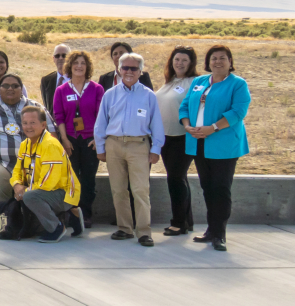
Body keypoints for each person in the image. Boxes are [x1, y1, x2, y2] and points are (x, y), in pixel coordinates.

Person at [179, 44, 250, 252]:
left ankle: (220, 234)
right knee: (207, 187)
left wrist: (213, 128)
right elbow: (184, 106)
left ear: (230, 62)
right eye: (213, 58)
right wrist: (187, 126)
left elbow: (238, 111)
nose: (217, 62)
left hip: (223, 144)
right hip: (199, 142)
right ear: (208, 62)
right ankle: (211, 229)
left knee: (221, 188)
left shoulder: (237, 84)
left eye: (222, 58)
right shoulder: (199, 82)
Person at [95, 52, 164, 247]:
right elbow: (101, 123)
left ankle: (144, 231)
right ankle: (124, 228)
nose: (129, 72)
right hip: (114, 145)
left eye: (134, 68)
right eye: (125, 67)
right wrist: (101, 147)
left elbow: (157, 123)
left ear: (140, 72)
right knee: (118, 190)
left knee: (140, 190)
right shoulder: (110, 94)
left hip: (139, 146)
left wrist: (156, 148)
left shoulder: (148, 95)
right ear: (119, 69)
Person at [11, 106, 84, 242]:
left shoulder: (50, 144)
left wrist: (25, 191)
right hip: (44, 191)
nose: (28, 127)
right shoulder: (25, 144)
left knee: (30, 196)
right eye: (25, 123)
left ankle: (56, 227)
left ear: (43, 124)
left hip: (63, 192)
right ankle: (72, 215)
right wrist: (16, 185)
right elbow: (17, 170)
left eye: (33, 122)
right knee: (24, 194)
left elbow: (49, 182)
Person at [0, 73, 53, 204]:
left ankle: (31, 216)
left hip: (33, 160)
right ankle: (5, 216)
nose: (10, 89)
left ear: (22, 89)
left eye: (15, 86)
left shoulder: (36, 108)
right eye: (5, 86)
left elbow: (52, 134)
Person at [52, 50, 104, 227]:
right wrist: (64, 140)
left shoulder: (97, 89)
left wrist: (98, 139)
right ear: (70, 66)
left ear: (87, 67)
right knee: (71, 179)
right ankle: (72, 214)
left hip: (91, 140)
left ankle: (86, 214)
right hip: (70, 141)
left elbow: (101, 116)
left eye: (83, 63)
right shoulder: (61, 90)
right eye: (76, 63)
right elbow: (58, 116)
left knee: (88, 180)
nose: (79, 66)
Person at [158, 46, 200, 236]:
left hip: (182, 137)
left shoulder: (194, 82)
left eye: (184, 60)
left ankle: (178, 223)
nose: (180, 63)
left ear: (191, 63)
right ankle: (187, 220)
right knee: (178, 178)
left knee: (175, 179)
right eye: (176, 59)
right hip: (166, 138)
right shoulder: (170, 81)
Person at [39, 44, 71, 117]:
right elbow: (47, 108)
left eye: (64, 55)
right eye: (57, 56)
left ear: (70, 58)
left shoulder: (77, 79)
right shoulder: (46, 81)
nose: (60, 58)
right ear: (53, 59)